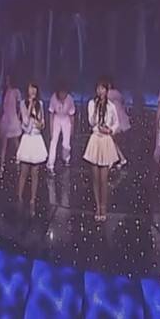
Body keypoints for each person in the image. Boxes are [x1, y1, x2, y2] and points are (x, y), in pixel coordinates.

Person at [83, 80, 120, 222]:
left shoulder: (111, 106)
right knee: (95, 178)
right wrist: (97, 108)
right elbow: (91, 122)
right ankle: (98, 207)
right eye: (98, 88)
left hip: (106, 141)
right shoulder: (92, 104)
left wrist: (110, 130)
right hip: (95, 140)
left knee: (104, 179)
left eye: (103, 88)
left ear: (107, 90)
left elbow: (116, 123)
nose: (101, 91)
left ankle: (104, 207)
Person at [16, 82, 47, 216]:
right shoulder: (23, 104)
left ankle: (33, 199)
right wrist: (30, 106)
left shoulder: (40, 104)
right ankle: (19, 197)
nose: (33, 91)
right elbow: (26, 122)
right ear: (27, 90)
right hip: (27, 138)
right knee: (24, 171)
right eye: (30, 88)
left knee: (35, 172)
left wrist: (40, 124)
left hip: (37, 138)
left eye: (34, 88)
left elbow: (42, 123)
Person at [47, 82, 76, 175]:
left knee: (66, 143)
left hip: (66, 119)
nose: (63, 95)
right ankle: (50, 165)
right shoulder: (53, 98)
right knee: (53, 141)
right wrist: (51, 129)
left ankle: (66, 158)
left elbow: (72, 115)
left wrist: (72, 128)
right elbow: (51, 114)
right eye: (61, 92)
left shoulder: (70, 99)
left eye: (64, 92)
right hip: (57, 119)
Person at [0, 75, 22, 175]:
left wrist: (18, 117)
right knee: (4, 144)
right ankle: (2, 165)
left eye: (8, 80)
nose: (7, 81)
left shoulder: (16, 91)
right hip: (6, 119)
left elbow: (19, 105)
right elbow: (3, 107)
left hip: (13, 119)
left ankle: (19, 162)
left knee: (16, 142)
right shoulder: (5, 92)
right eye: (6, 80)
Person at [107, 80, 130, 167]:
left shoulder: (111, 93)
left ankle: (117, 159)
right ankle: (119, 159)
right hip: (118, 120)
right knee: (112, 141)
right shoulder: (117, 94)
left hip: (117, 120)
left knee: (111, 140)